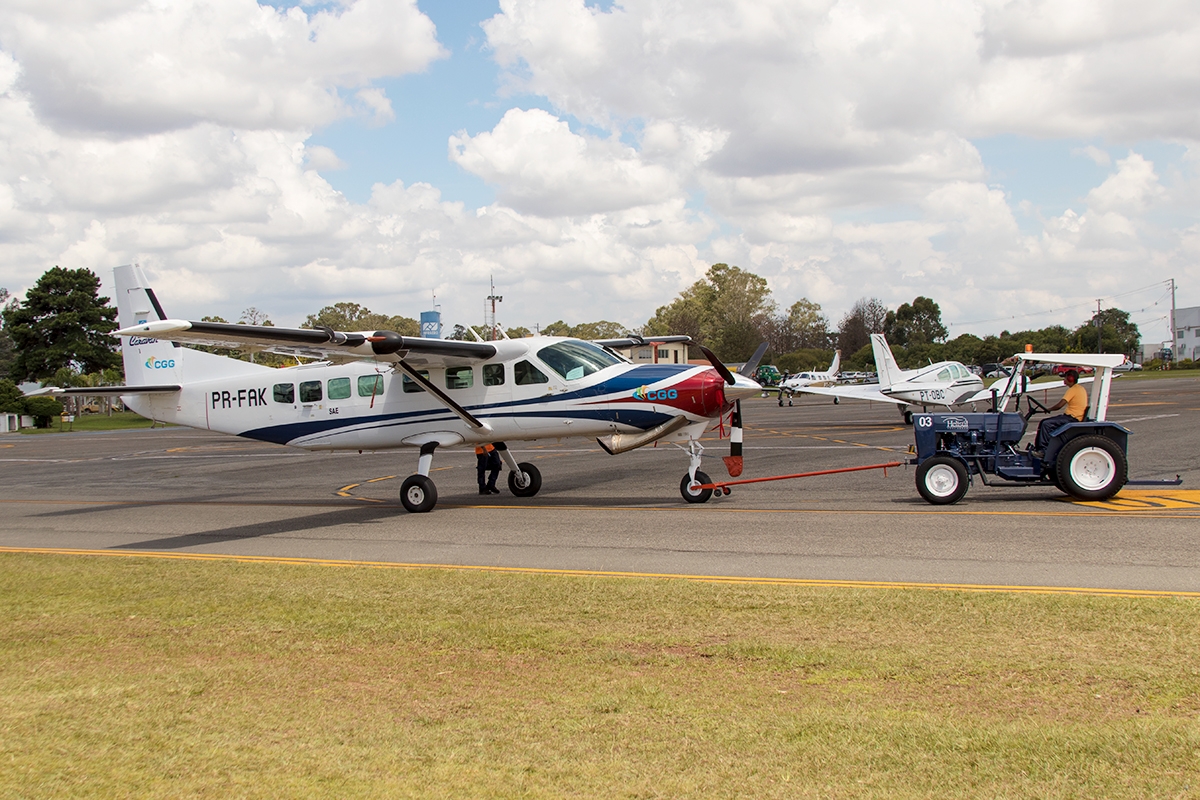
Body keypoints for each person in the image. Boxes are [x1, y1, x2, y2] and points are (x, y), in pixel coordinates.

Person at [1033, 369, 1086, 452]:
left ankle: (1043, 450)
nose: (1063, 380)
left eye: (1065, 378)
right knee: (1044, 422)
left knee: (1046, 424)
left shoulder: (1072, 390)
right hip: (1072, 416)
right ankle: (1038, 448)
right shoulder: (1080, 388)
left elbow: (1060, 405)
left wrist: (1048, 409)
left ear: (1070, 379)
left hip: (1072, 418)